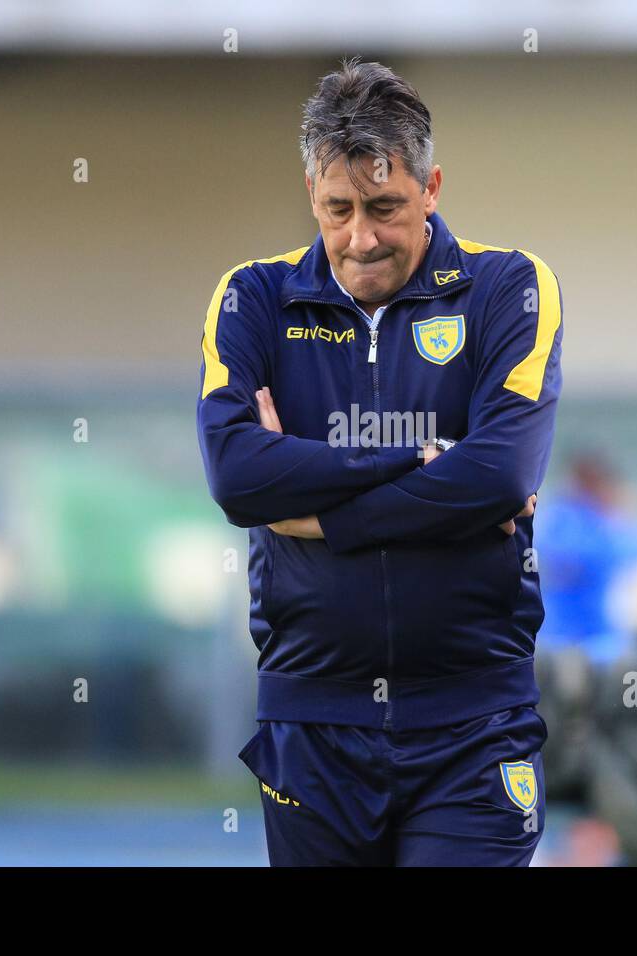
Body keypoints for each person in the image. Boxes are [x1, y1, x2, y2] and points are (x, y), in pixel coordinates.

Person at [195, 58, 563, 865]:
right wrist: (420, 460)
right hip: (313, 721)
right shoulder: (252, 297)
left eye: (386, 206)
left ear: (432, 186)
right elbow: (236, 476)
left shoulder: (509, 287)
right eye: (339, 209)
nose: (362, 237)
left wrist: (313, 506)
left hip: (475, 723)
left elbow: (499, 475)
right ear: (311, 196)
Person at [535, 452, 637, 666]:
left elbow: (634, 553)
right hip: (557, 638)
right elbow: (562, 558)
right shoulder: (560, 517)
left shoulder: (618, 521)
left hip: (606, 639)